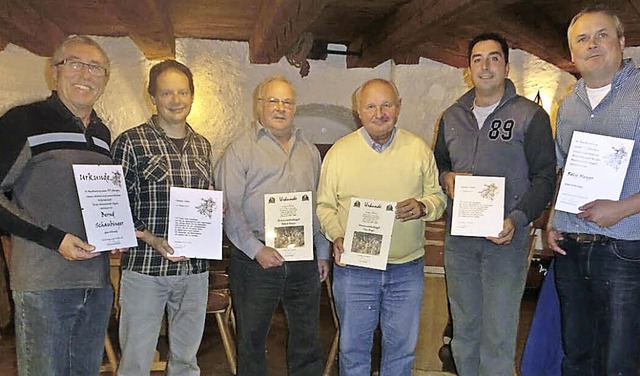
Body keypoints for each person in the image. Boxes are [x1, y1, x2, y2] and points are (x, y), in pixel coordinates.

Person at [434, 33, 556, 375]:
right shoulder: (451, 117)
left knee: (499, 336)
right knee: (464, 333)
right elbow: (440, 166)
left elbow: (545, 177)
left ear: (505, 65)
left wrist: (516, 220)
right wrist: (447, 179)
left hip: (506, 241)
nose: (485, 66)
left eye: (493, 58)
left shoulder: (530, 116)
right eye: (477, 59)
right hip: (459, 243)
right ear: (468, 68)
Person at [0, 35, 115, 375]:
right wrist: (54, 239)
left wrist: (118, 230)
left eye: (96, 68)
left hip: (96, 284)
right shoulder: (24, 120)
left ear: (105, 79)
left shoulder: (101, 134)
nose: (85, 74)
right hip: (44, 284)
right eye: (75, 63)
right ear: (54, 72)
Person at [317, 78, 447, 376]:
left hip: (406, 269)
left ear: (398, 107)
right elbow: (324, 206)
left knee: (401, 352)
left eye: (386, 104)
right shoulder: (340, 152)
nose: (380, 113)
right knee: (353, 350)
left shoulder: (418, 149)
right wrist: (336, 234)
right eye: (371, 106)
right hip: (355, 269)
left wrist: (423, 206)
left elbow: (438, 198)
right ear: (358, 111)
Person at [546, 7, 640, 375]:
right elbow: (563, 169)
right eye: (582, 39)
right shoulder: (567, 105)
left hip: (625, 247)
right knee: (577, 355)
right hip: (571, 247)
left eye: (602, 35)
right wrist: (553, 218)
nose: (592, 44)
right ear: (571, 54)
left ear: (621, 42)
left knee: (619, 360)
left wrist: (624, 208)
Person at [216, 75, 330, 376]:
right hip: (256, 260)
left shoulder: (310, 151)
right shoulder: (240, 149)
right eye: (273, 101)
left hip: (303, 259)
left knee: (307, 339)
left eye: (287, 102)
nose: (280, 108)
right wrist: (256, 250)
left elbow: (318, 203)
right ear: (259, 105)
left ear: (295, 108)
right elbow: (231, 208)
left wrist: (321, 252)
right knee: (252, 341)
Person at [111, 60, 214, 375]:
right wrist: (151, 238)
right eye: (166, 92)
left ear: (192, 96)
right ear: (152, 97)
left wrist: (214, 208)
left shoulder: (203, 145)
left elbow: (206, 197)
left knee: (186, 361)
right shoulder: (130, 142)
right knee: (136, 362)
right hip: (146, 269)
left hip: (195, 271)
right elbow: (116, 204)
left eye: (182, 92)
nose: (176, 100)